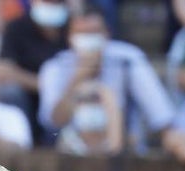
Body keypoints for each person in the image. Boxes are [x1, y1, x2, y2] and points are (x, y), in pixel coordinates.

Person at [38, 7, 175, 151]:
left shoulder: (127, 59)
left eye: (94, 32)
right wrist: (79, 77)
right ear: (70, 37)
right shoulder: (55, 67)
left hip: (124, 149)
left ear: (106, 34)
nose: (88, 39)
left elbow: (161, 114)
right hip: (71, 152)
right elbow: (52, 122)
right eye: (82, 33)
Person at [0, 0, 72, 144]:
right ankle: (24, 143)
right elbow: (4, 70)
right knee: (9, 91)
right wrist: (45, 85)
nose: (51, 6)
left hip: (66, 94)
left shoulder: (74, 27)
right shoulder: (17, 27)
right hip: (29, 93)